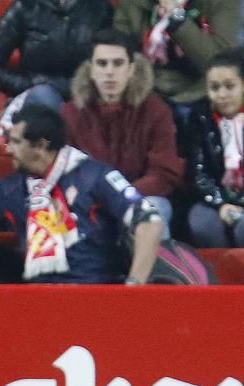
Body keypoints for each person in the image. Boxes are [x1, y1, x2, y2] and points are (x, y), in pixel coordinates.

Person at [0, 104, 163, 285]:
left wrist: (134, 286)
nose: (8, 150)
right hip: (39, 301)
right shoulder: (13, 189)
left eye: (16, 142)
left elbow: (149, 221)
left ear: (41, 145)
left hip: (96, 293)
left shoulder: (95, 176)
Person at [61, 29, 184, 238]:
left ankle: (152, 272)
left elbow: (164, 173)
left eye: (118, 64)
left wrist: (121, 196)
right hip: (89, 203)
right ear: (90, 70)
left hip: (141, 198)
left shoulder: (157, 111)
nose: (110, 72)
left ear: (131, 69)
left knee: (154, 211)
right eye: (102, 64)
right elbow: (62, 172)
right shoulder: (70, 114)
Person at [184, 49, 244, 257]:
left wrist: (243, 202)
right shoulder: (200, 117)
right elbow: (197, 170)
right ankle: (220, 282)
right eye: (214, 88)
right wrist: (220, 203)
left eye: (229, 86)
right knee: (202, 223)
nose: (222, 95)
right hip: (216, 199)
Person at [114, 0, 239, 123]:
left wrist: (177, 17)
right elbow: (119, 54)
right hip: (147, 94)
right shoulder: (132, 3)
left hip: (202, 97)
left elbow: (221, 64)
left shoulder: (221, 3)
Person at [0, 0, 113, 110]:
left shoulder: (100, 8)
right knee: (44, 98)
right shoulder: (26, 6)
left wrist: (83, 87)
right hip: (37, 100)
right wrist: (30, 84)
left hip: (84, 96)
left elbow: (114, 61)